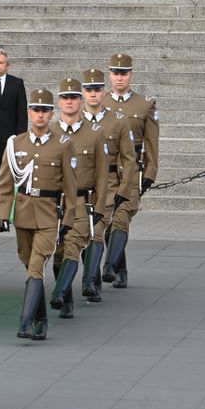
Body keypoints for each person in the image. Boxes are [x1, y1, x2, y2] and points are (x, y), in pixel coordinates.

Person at [0, 88, 77, 341]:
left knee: (37, 265)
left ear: (51, 114)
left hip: (49, 214)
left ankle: (26, 321)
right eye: (35, 110)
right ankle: (41, 318)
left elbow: (70, 187)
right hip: (23, 213)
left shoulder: (63, 144)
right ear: (29, 112)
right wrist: (2, 215)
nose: (40, 115)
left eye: (45, 110)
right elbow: (5, 182)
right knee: (29, 264)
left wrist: (70, 218)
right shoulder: (15, 143)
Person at [49, 79, 109, 318]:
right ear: (59, 102)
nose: (69, 102)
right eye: (65, 98)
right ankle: (67, 300)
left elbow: (103, 175)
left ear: (81, 101)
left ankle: (59, 293)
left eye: (74, 97)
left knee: (73, 246)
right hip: (55, 204)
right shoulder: (50, 132)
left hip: (82, 202)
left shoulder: (95, 133)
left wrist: (101, 207)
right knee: (57, 253)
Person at [101, 53, 159, 288]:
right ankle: (121, 268)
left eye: (123, 73)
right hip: (105, 169)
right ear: (110, 75)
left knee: (121, 218)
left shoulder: (144, 104)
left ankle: (111, 267)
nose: (119, 78)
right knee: (105, 221)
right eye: (115, 73)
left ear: (131, 75)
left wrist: (150, 173)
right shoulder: (100, 102)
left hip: (130, 169)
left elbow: (152, 142)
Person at [81, 68, 138, 300]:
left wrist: (124, 191)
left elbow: (129, 158)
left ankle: (95, 279)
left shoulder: (118, 121)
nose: (93, 94)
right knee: (86, 235)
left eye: (97, 89)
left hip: (110, 182)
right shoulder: (73, 121)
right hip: (82, 186)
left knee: (97, 232)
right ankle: (92, 280)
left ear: (104, 92)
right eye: (89, 89)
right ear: (83, 92)